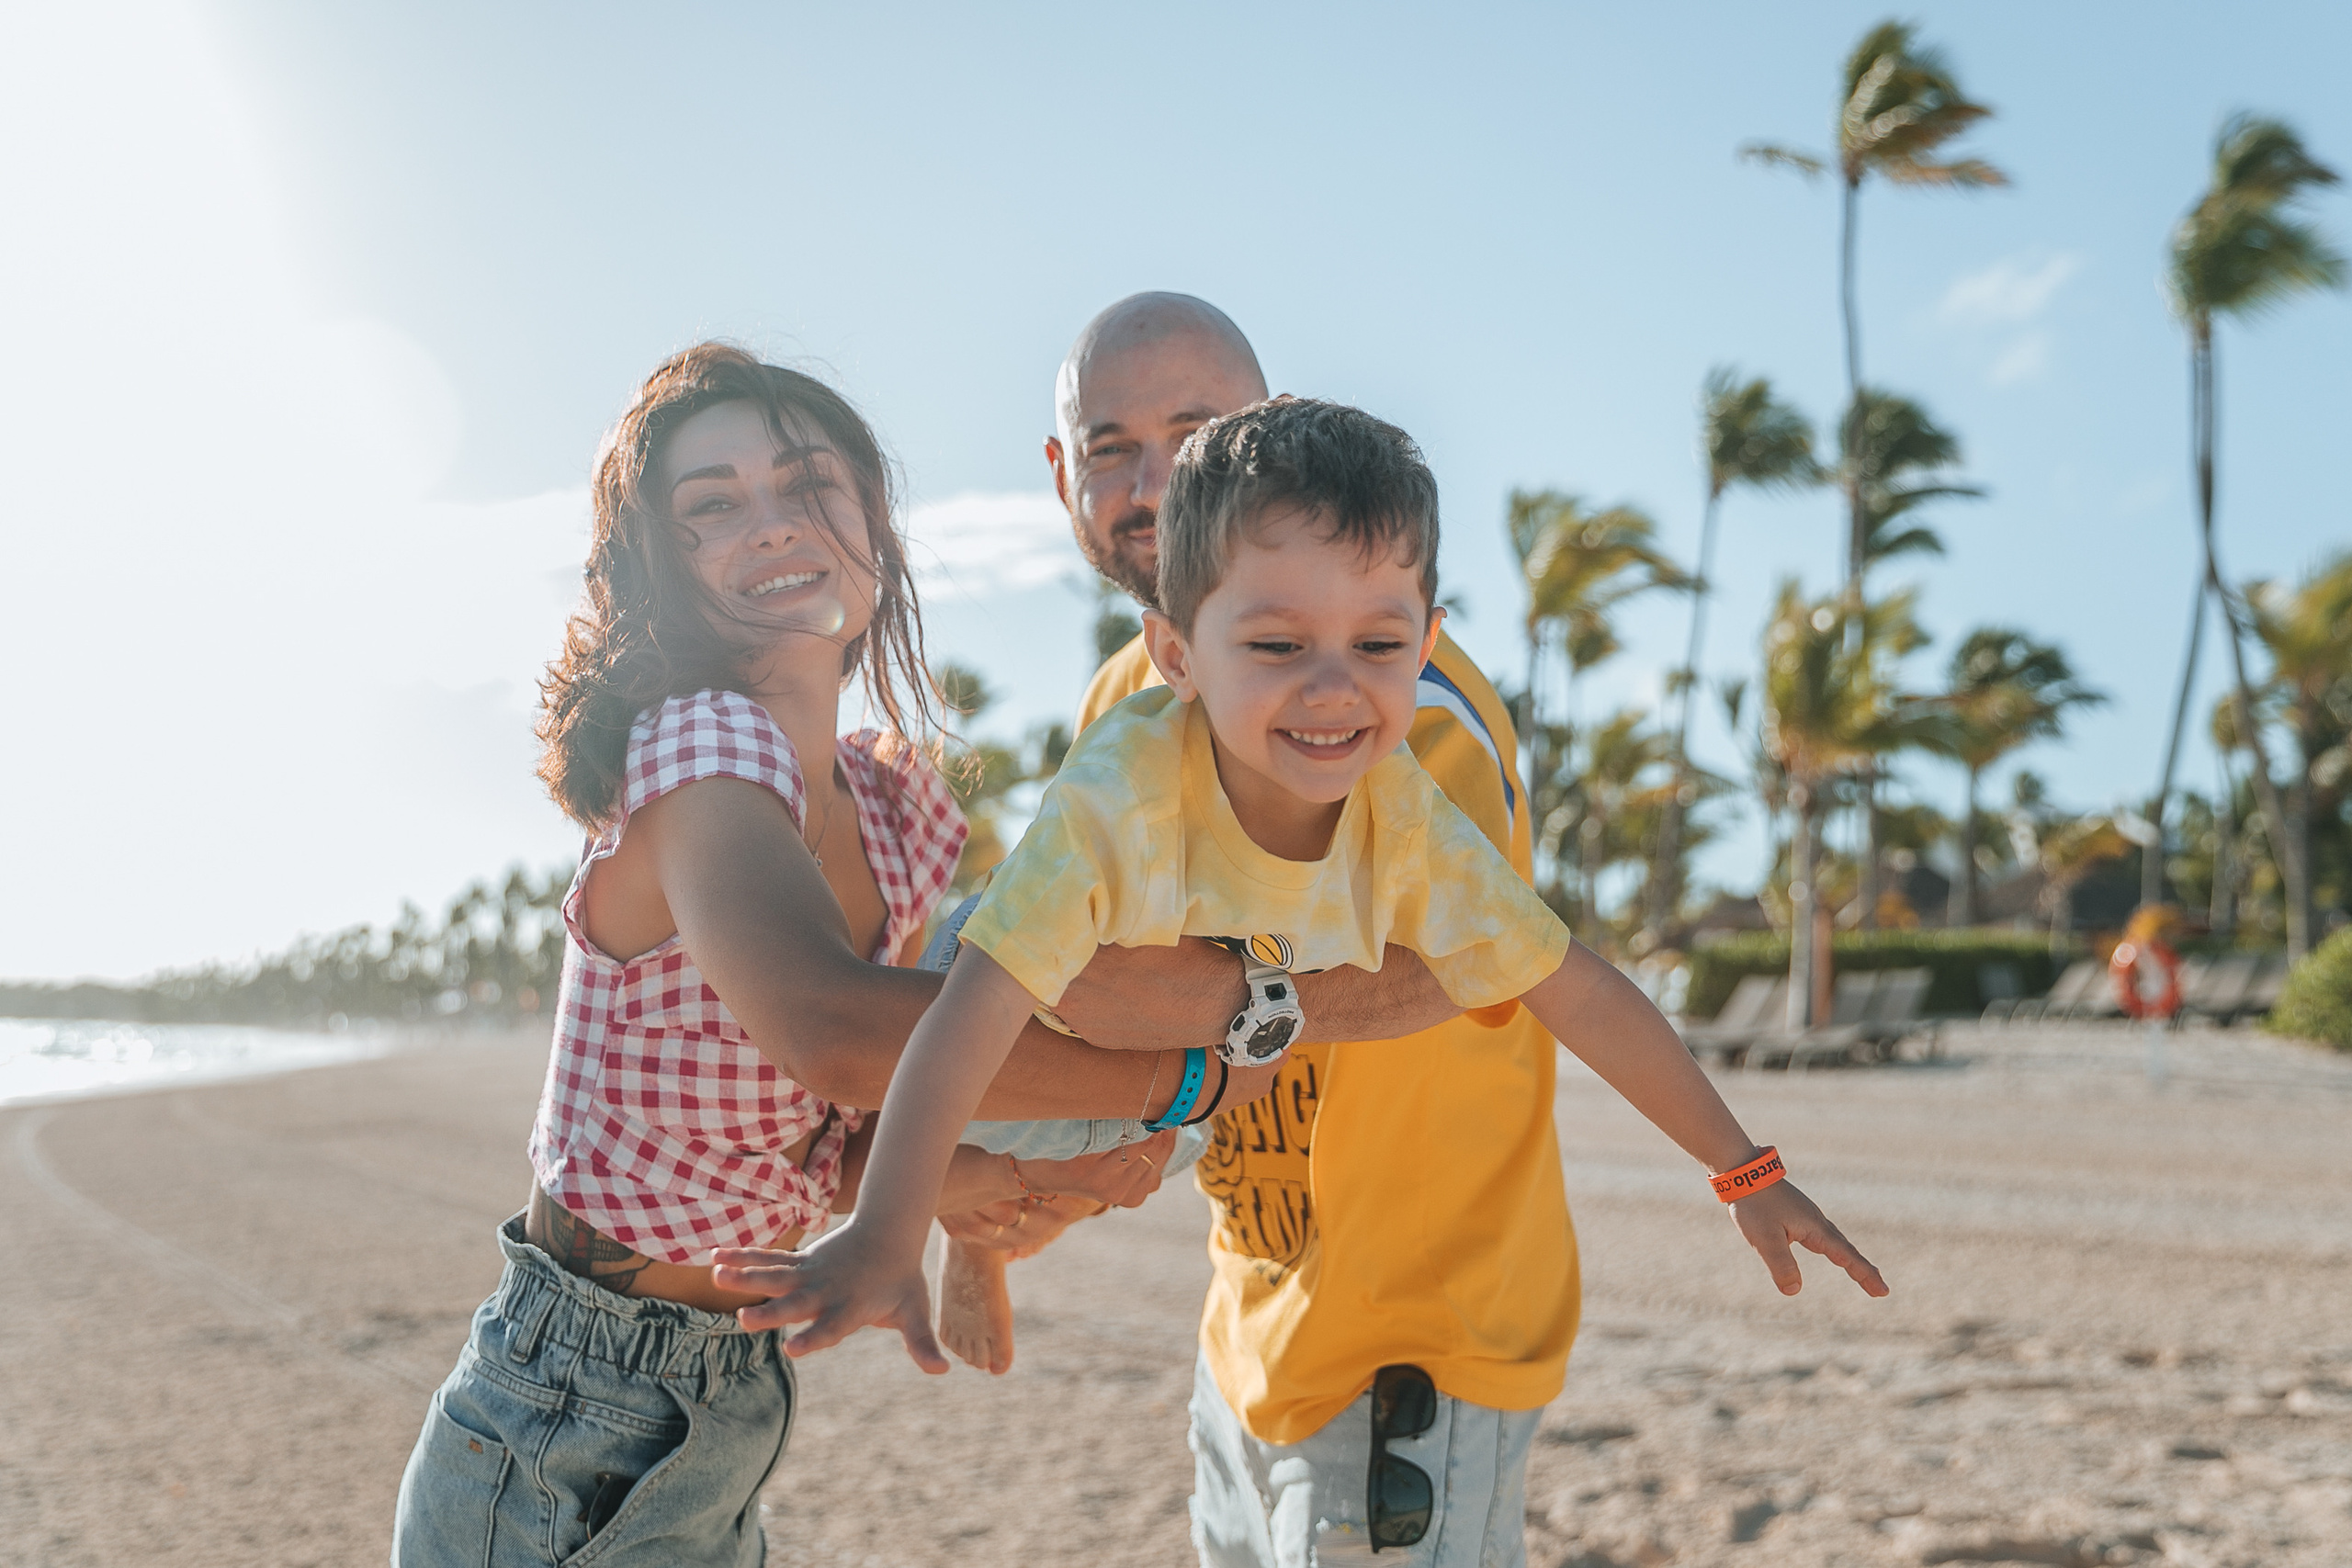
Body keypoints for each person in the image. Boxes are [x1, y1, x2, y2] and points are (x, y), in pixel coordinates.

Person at [715, 395, 1889, 1561]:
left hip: (1386, 1303)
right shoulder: (1117, 793)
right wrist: (887, 1231)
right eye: (1277, 647)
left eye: (1376, 646)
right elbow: (973, 1018)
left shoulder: (1405, 806)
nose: (1332, 689)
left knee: (1167, 1103)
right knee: (1020, 1030)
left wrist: (1746, 1168)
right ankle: (967, 1216)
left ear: (1424, 647)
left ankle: (997, 1200)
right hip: (1106, 1046)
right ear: (1174, 654)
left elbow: (1573, 987)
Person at [389, 343, 1282, 1568]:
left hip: (726, 1395)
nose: (771, 522)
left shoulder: (898, 812)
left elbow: (854, 1125)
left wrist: (956, 1186)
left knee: (1056, 936)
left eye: (809, 483)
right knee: (1037, 987)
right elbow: (834, 1029)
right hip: (569, 1409)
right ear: (666, 567)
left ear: (874, 526)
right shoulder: (697, 748)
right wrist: (1180, 1080)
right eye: (712, 504)